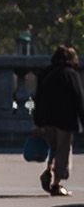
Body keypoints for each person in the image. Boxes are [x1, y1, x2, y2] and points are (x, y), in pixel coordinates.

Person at [34, 45, 84, 197]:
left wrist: (38, 123)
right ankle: (56, 183)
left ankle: (50, 169)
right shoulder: (71, 75)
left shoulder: (46, 73)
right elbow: (79, 99)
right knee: (63, 150)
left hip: (47, 119)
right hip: (65, 119)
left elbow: (38, 98)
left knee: (54, 148)